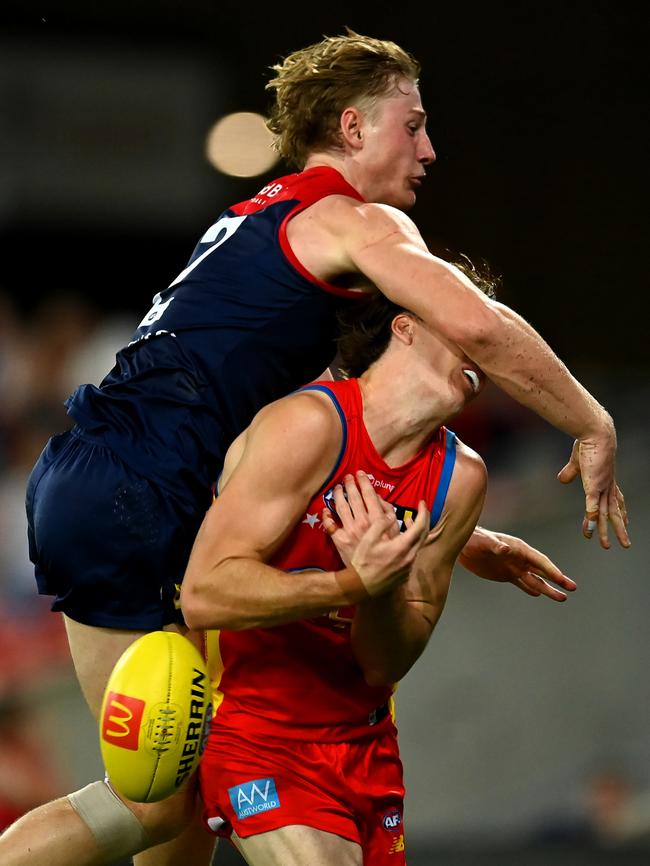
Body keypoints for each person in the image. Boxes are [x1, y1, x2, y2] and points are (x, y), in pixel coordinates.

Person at [1, 29, 628, 866]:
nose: (430, 150)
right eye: (414, 125)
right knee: (154, 803)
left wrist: (455, 537)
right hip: (140, 496)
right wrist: (591, 422)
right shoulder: (347, 217)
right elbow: (476, 320)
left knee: (181, 804)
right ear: (354, 127)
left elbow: (268, 442)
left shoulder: (261, 217)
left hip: (103, 477)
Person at [178, 289, 576, 865]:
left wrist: (383, 586)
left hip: (365, 749)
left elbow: (385, 664)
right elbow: (205, 594)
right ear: (406, 327)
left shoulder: (459, 480)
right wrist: (351, 584)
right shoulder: (309, 424)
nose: (482, 357)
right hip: (251, 732)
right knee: (136, 817)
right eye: (468, 332)